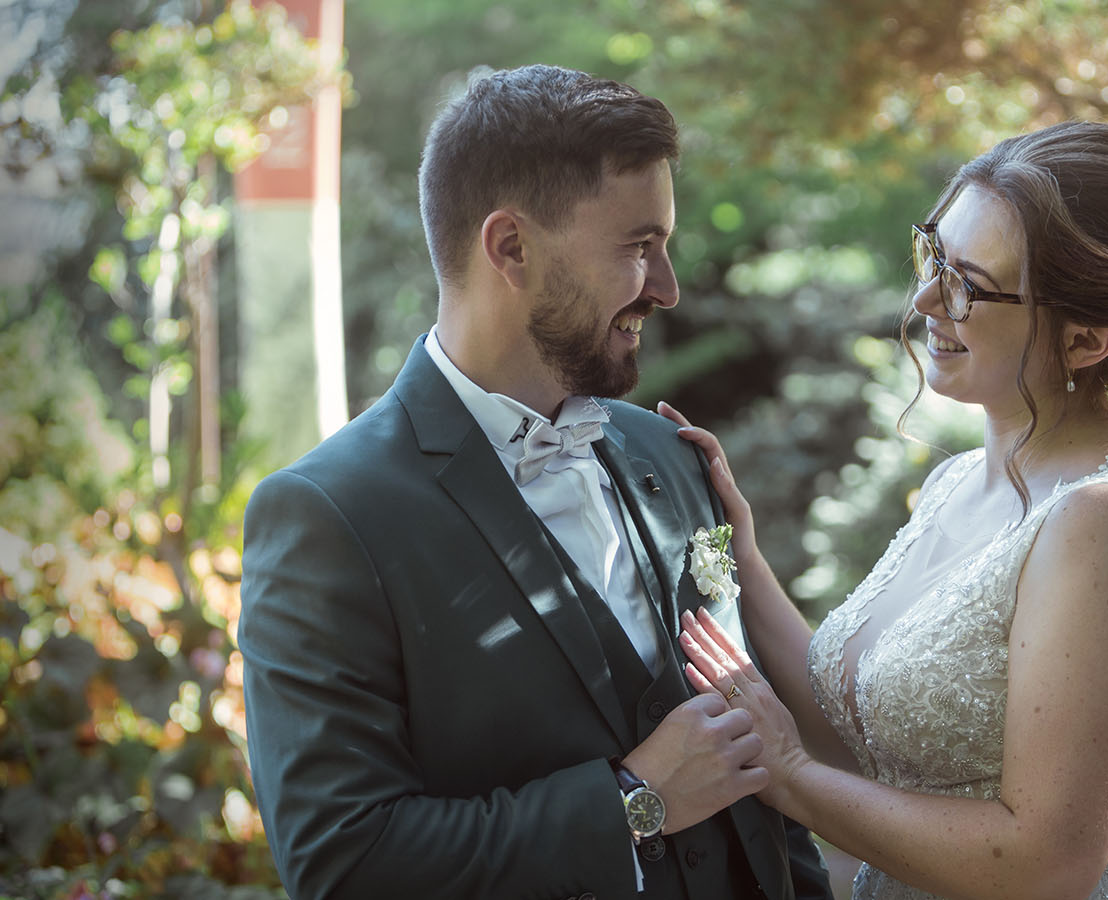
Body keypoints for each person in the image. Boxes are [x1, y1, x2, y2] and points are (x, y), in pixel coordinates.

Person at [238, 65, 833, 900]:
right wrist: (635, 803)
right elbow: (342, 862)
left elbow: (756, 770)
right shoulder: (328, 515)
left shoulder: (670, 450)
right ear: (511, 247)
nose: (667, 288)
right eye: (638, 247)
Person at [664, 121, 1108, 899]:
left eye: (969, 283)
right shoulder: (956, 482)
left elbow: (1044, 866)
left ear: (1086, 340)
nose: (924, 298)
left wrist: (790, 778)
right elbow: (861, 741)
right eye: (933, 254)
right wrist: (737, 550)